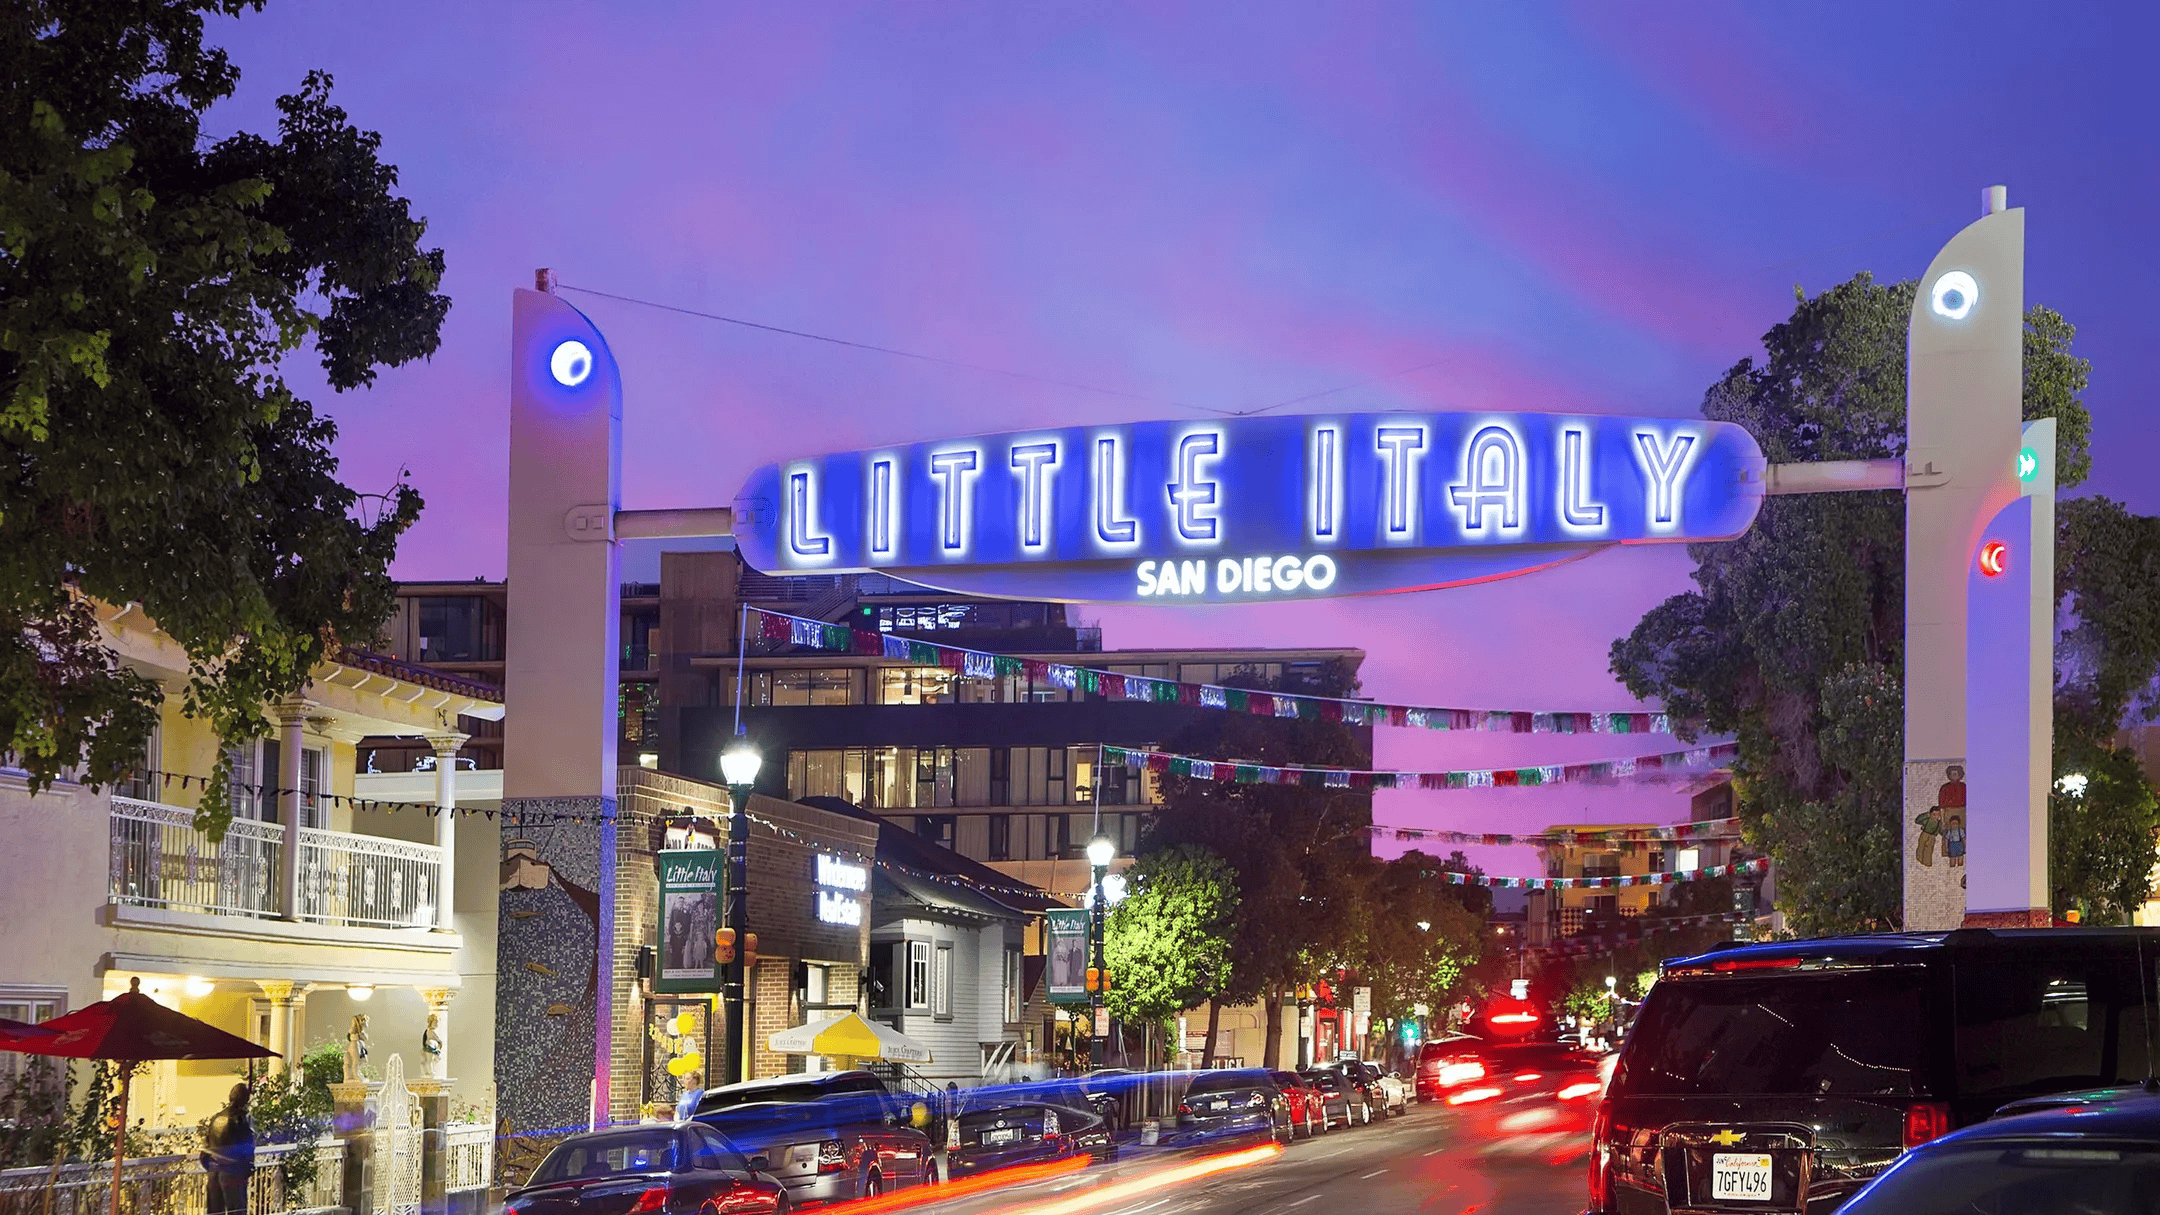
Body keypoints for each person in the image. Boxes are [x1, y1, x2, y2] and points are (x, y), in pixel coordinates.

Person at [201, 1082, 255, 1215]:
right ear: (244, 1099)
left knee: (215, 1211)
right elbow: (248, 1145)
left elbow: (207, 1145)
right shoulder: (242, 1118)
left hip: (214, 1172)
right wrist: (249, 1166)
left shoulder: (216, 1118)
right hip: (233, 1172)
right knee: (236, 1211)